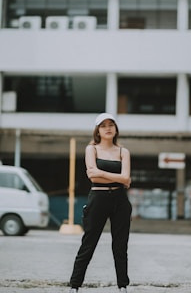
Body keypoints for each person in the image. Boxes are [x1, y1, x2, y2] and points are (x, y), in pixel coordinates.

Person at [69, 112, 132, 293]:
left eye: (111, 124)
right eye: (103, 125)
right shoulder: (92, 149)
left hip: (120, 201)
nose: (107, 128)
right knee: (89, 243)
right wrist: (118, 178)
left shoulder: (123, 152)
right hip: (98, 198)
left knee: (120, 246)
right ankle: (74, 285)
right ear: (97, 130)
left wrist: (101, 173)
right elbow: (91, 176)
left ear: (116, 128)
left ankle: (122, 286)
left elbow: (126, 179)